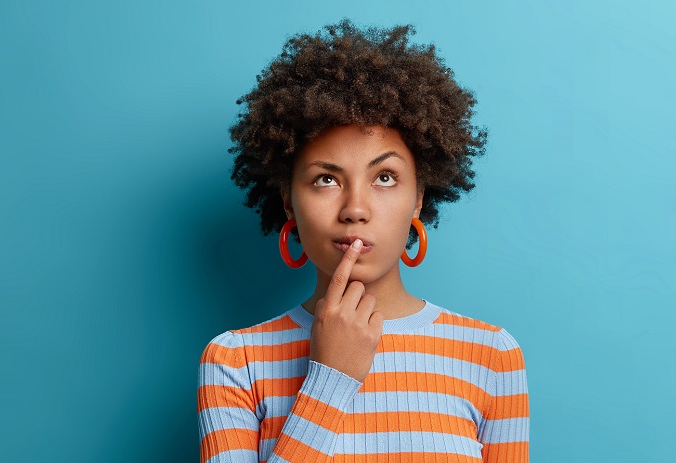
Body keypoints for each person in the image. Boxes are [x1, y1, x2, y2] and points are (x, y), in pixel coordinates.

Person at [198, 20, 529, 463]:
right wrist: (329, 379)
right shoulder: (234, 362)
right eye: (326, 179)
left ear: (418, 198)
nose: (356, 208)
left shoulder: (492, 356)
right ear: (289, 203)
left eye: (385, 177)